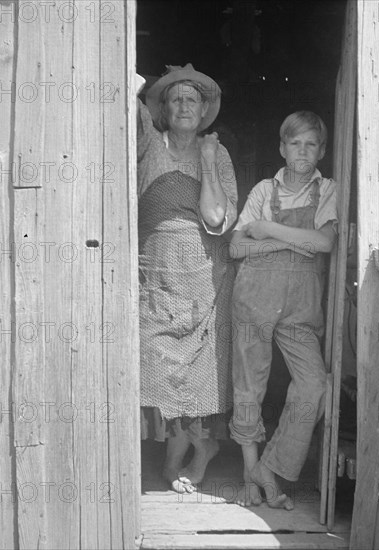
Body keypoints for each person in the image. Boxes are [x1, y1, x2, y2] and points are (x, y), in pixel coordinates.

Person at [228, 111, 338, 510]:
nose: (303, 150)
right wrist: (294, 242)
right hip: (255, 296)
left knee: (313, 385)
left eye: (311, 143)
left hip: (299, 308)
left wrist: (271, 229)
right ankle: (250, 478)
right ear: (282, 147)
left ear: (322, 150)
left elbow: (324, 243)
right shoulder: (261, 190)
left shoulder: (328, 190)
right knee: (248, 388)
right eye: (295, 143)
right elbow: (237, 248)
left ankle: (269, 469)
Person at [137, 65, 237, 494]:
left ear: (203, 111)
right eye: (175, 99)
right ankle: (181, 448)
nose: (182, 106)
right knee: (155, 357)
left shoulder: (219, 153)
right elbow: (124, 98)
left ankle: (195, 452)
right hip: (154, 268)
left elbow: (217, 218)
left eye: (191, 100)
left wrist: (209, 160)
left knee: (200, 368)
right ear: (162, 108)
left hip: (203, 272)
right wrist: (135, 83)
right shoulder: (146, 142)